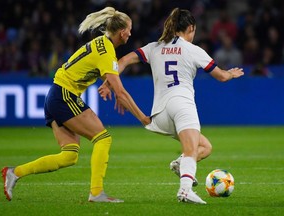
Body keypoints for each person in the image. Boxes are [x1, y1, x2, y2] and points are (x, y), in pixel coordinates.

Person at [1, 7, 150, 203]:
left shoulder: (102, 44)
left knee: (69, 155)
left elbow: (108, 77)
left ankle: (14, 172)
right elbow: (121, 91)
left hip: (55, 94)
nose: (130, 33)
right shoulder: (107, 53)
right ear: (122, 31)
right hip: (64, 95)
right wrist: (143, 118)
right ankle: (96, 193)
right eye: (129, 29)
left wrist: (109, 86)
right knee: (103, 138)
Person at [99, 8, 244, 204]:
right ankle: (185, 191)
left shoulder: (154, 47)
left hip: (160, 114)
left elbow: (123, 60)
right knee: (193, 150)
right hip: (182, 105)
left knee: (205, 147)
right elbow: (221, 76)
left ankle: (179, 164)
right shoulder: (194, 50)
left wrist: (109, 83)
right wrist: (231, 74)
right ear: (191, 28)